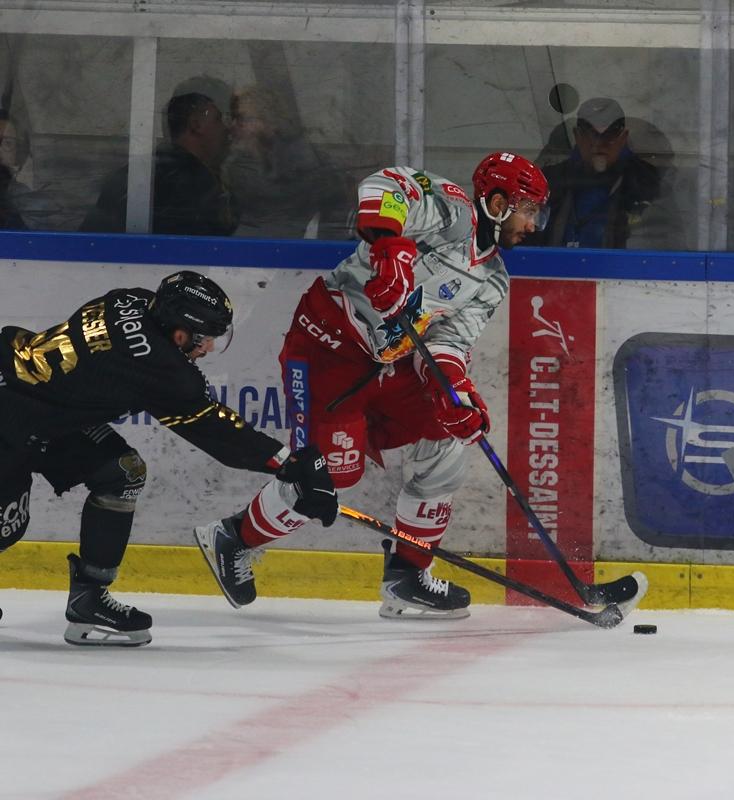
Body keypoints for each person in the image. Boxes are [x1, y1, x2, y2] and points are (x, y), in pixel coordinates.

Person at [192, 152, 549, 619]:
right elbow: (387, 185)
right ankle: (233, 538)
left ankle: (407, 576)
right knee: (328, 476)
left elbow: (448, 342)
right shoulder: (450, 212)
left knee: (445, 440)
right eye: (528, 210)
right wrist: (389, 249)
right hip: (327, 346)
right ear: (498, 204)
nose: (533, 224)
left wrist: (453, 392)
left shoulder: (492, 279)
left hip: (389, 364)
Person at [0, 270, 338, 646]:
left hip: (45, 415)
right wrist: (290, 464)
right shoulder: (158, 366)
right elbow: (217, 432)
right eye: (204, 338)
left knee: (121, 472)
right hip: (10, 415)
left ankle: (88, 598)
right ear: (179, 332)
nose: (207, 349)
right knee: (7, 527)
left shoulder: (129, 299)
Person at [80, 93, 239, 236]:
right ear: (196, 125)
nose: (226, 129)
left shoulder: (139, 169)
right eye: (218, 120)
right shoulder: (190, 182)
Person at [527, 96, 660, 249]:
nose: (598, 144)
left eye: (609, 134)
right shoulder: (549, 182)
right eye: (590, 134)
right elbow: (522, 237)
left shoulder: (645, 184)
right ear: (577, 136)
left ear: (623, 138)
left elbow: (663, 239)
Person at [224, 85, 353, 239]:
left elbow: (335, 213)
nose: (233, 126)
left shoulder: (308, 164)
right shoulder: (235, 163)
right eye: (232, 118)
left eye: (242, 119)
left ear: (270, 122)